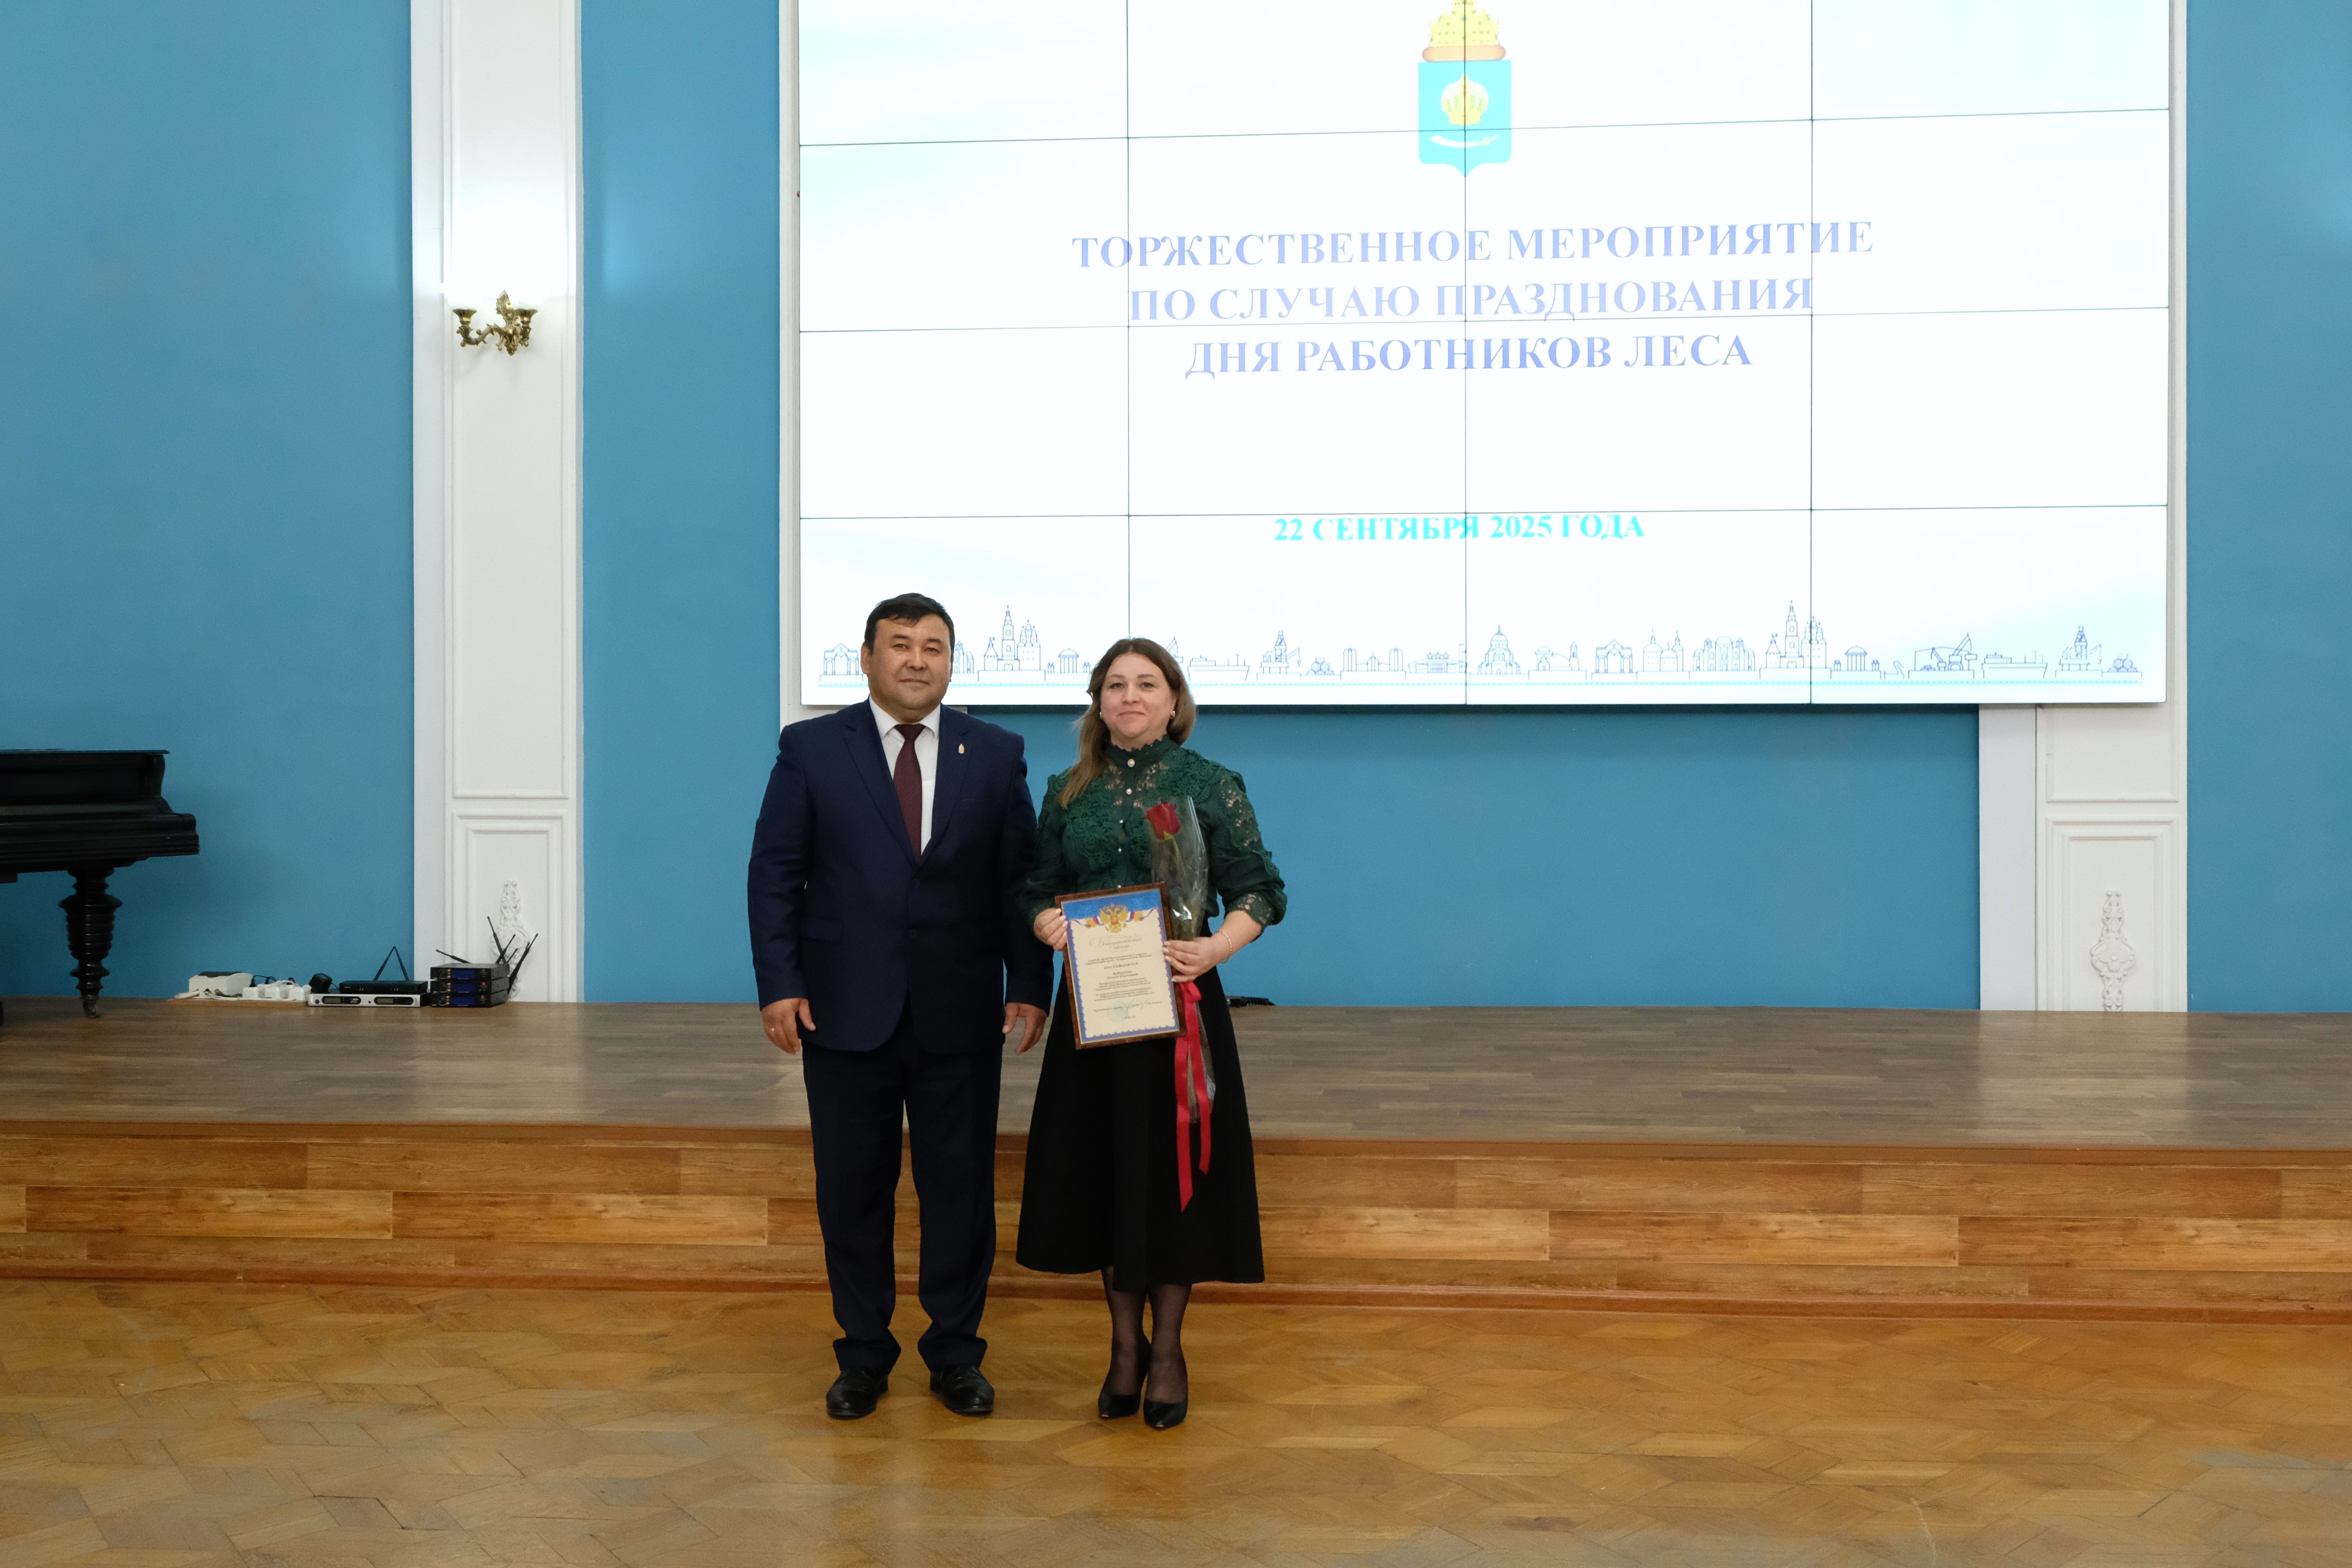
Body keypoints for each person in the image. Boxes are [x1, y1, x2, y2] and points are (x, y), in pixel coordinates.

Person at [747, 592, 1051, 1420]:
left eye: (934, 646)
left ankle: (956, 1355)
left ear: (951, 662)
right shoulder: (812, 748)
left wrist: (1031, 984)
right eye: (901, 644)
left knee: (961, 1191)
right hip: (843, 1009)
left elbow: (1019, 881)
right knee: (853, 1191)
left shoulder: (996, 753)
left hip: (962, 1010)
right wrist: (780, 982)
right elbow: (776, 872)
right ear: (867, 658)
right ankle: (863, 1355)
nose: (918, 659)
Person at [1015, 638, 1286, 1430]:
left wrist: (1216, 948)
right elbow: (1037, 886)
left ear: (1174, 703)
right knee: (1107, 1172)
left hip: (1181, 1006)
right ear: (1098, 703)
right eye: (1115, 685)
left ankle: (1166, 1350)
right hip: (1095, 1014)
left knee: (1170, 1180)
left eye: (1147, 684)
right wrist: (1044, 922)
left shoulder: (1211, 784)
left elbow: (1261, 889)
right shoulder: (1067, 791)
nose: (1130, 696)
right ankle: (1123, 1346)